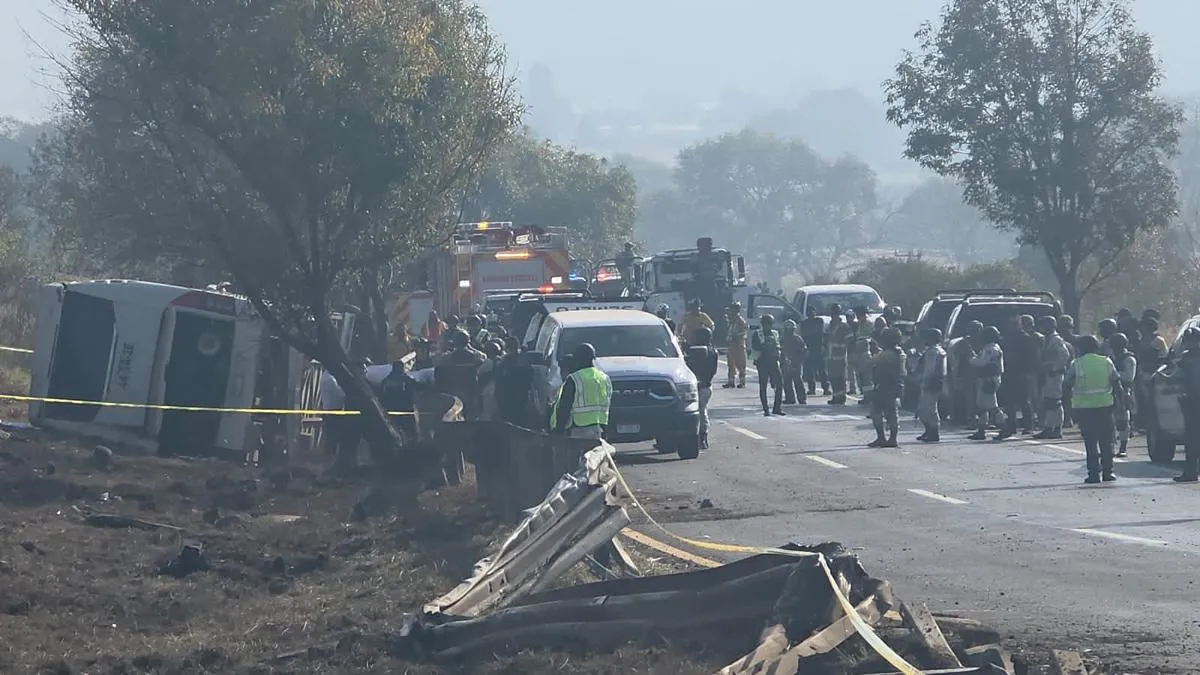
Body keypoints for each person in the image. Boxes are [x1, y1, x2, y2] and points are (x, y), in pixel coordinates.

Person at [1066, 335, 1119, 484]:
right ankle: (1108, 472)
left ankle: (1094, 474)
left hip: (1084, 410)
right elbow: (1117, 383)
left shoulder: (1076, 364)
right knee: (1107, 442)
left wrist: (1070, 407)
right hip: (1105, 408)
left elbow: (1067, 384)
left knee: (1090, 443)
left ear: (1080, 348)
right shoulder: (1106, 361)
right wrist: (1118, 404)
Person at [551, 343, 613, 440]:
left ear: (578, 359)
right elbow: (609, 405)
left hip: (577, 430)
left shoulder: (574, 379)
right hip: (598, 429)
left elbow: (565, 407)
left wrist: (559, 431)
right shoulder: (604, 378)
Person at [998, 314, 1042, 439]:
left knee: (1024, 401)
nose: (1012, 326)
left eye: (1015, 324)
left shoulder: (1026, 339)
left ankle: (1028, 426)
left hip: (1022, 373)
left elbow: (1033, 357)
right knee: (1009, 402)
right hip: (1009, 373)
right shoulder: (1006, 339)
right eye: (1011, 324)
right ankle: (1011, 426)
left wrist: (1030, 372)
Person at [1033, 316, 1071, 440]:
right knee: (1049, 401)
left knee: (1054, 401)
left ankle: (1056, 428)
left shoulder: (1056, 340)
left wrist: (1055, 368)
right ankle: (1050, 427)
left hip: (1055, 374)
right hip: (1048, 373)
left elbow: (1064, 355)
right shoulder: (1047, 339)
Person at [868, 327, 906, 448]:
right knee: (892, 412)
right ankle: (892, 438)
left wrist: (871, 351)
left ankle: (882, 437)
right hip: (895, 385)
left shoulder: (887, 354)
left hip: (884, 385)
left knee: (876, 411)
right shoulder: (900, 353)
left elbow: (872, 361)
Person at [968, 326, 1005, 441]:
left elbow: (981, 362)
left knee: (992, 406)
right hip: (987, 378)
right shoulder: (991, 348)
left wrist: (971, 358)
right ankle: (981, 430)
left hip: (989, 379)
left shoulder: (991, 349)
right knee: (981, 406)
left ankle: (1004, 427)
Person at [685, 327, 719, 449]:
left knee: (698, 411)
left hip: (698, 386)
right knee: (702, 410)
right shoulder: (713, 351)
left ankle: (701, 436)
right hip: (705, 385)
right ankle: (702, 437)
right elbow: (713, 371)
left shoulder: (694, 350)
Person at [1173, 328, 1200, 482]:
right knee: (1191, 438)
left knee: (1192, 438)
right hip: (1191, 401)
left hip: (1192, 401)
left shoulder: (1186, 359)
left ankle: (1191, 472)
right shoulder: (1184, 358)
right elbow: (1176, 376)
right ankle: (1190, 471)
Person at [1108, 332, 1137, 457]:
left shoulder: (1128, 359)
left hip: (1124, 392)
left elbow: (1129, 377)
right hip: (1110, 391)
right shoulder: (1111, 358)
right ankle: (1110, 446)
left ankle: (1123, 447)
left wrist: (1114, 375)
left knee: (1123, 421)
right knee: (1110, 421)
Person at [751, 314, 785, 416]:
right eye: (766, 323)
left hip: (774, 361)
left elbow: (778, 346)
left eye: (769, 323)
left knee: (780, 383)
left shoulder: (775, 333)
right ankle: (766, 409)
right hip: (762, 362)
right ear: (762, 324)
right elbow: (755, 346)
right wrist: (765, 346)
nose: (768, 325)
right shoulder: (758, 334)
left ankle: (777, 408)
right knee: (763, 386)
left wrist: (780, 355)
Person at [950, 321, 983, 426]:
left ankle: (983, 419)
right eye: (973, 329)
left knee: (982, 398)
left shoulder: (984, 342)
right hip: (967, 373)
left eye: (977, 329)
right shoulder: (964, 343)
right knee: (970, 398)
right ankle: (971, 419)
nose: (975, 332)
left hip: (981, 373)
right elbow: (958, 358)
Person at [916, 328, 947, 442]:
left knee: (929, 408)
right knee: (925, 408)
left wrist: (924, 381)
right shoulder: (940, 350)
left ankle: (933, 432)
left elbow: (930, 369)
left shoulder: (933, 352)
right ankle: (929, 431)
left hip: (931, 382)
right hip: (937, 381)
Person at [825, 304, 852, 405]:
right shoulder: (829, 326)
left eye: (836, 313)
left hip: (840, 356)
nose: (834, 315)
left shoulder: (844, 326)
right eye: (833, 313)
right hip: (830, 356)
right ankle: (836, 397)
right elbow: (826, 339)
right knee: (832, 378)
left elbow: (850, 339)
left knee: (840, 378)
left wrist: (842, 343)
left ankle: (841, 397)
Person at [800, 306, 829, 396]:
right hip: (809, 348)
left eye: (812, 312)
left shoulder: (819, 321)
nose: (811, 314)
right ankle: (811, 388)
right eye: (809, 313)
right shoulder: (804, 323)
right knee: (809, 370)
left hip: (818, 347)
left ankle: (825, 388)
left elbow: (820, 333)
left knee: (822, 370)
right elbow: (803, 336)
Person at [780, 319, 808, 404]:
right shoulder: (783, 339)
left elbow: (803, 351)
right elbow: (780, 351)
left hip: (796, 363)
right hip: (786, 363)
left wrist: (798, 360)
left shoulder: (797, 339)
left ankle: (802, 398)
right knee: (787, 381)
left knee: (797, 381)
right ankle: (790, 398)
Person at [723, 302, 748, 389]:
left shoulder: (740, 321)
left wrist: (736, 335)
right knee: (730, 364)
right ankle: (731, 381)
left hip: (739, 345)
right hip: (731, 345)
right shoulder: (731, 320)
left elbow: (744, 332)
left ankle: (742, 382)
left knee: (740, 364)